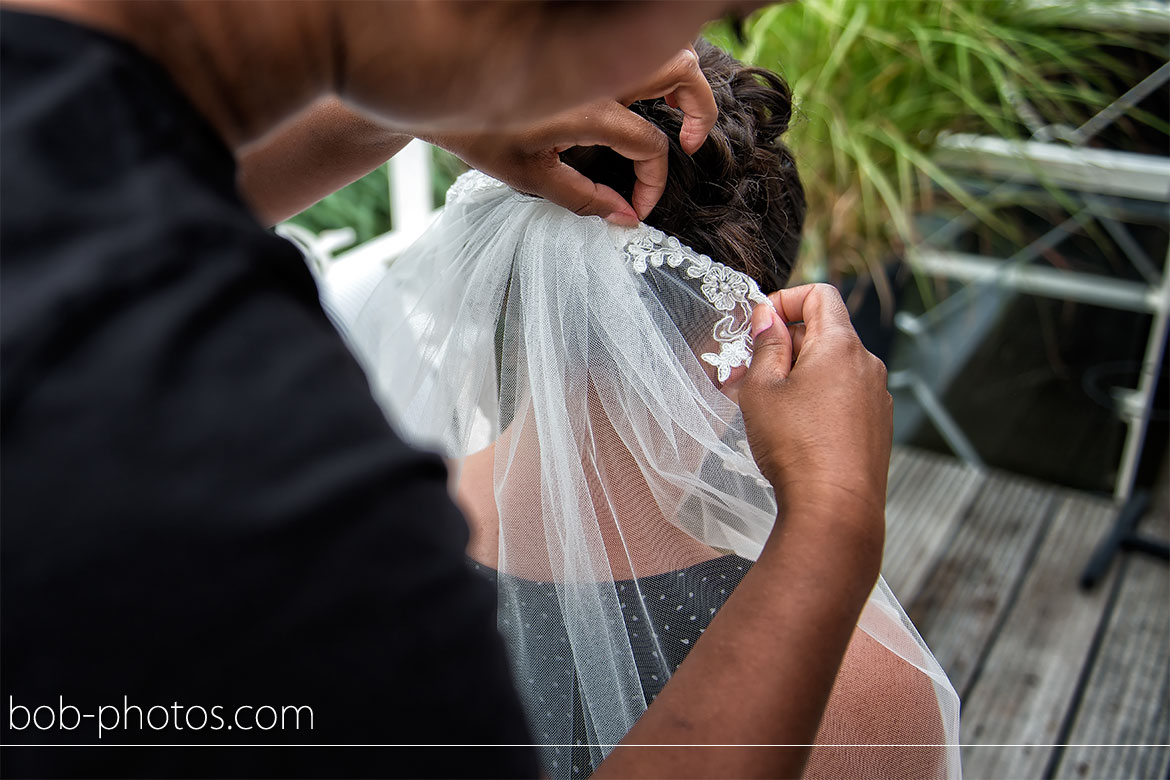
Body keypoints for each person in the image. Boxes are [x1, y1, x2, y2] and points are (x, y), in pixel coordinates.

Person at [2, 2, 898, 777]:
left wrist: (388, 107)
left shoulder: (47, 132)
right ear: (739, 327)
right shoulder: (317, 521)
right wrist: (833, 517)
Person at [346, 40, 960, 779]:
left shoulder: (346, 555)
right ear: (746, 328)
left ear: (497, 283)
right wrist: (839, 512)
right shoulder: (863, 690)